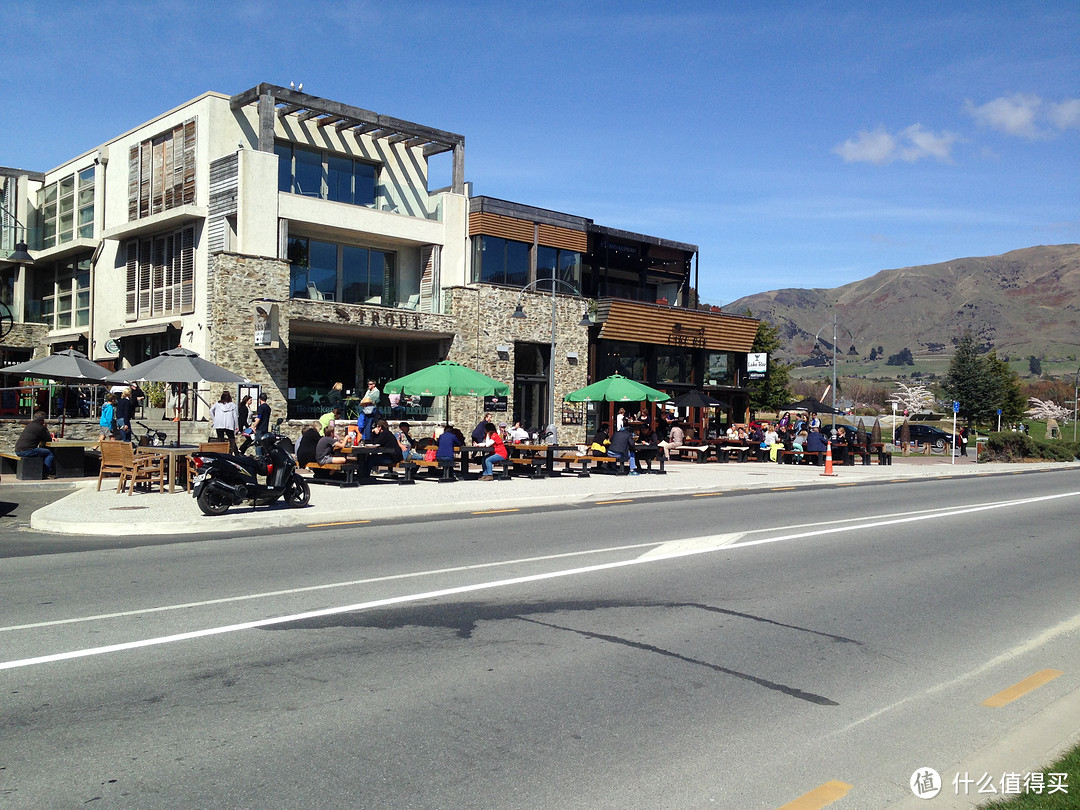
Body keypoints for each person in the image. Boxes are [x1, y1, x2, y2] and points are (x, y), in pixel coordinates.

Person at [14, 411, 54, 478]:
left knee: (42, 452)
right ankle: (45, 473)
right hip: (27, 451)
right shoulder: (41, 428)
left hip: (18, 450)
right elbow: (48, 439)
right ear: (42, 420)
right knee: (49, 453)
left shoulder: (30, 425)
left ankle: (42, 470)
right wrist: (45, 427)